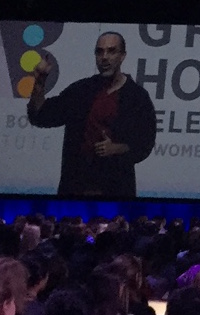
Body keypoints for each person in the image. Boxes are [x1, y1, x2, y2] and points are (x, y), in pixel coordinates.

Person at [27, 32, 157, 199]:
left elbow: (145, 143)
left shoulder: (136, 97)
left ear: (122, 56)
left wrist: (117, 148)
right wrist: (40, 80)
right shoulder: (82, 90)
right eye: (99, 52)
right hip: (75, 187)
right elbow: (40, 116)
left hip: (116, 191)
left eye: (111, 51)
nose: (104, 57)